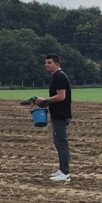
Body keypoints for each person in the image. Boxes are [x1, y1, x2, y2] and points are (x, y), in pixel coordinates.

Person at [34, 54, 73, 182]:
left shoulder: (59, 77)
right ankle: (62, 170)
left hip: (61, 115)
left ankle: (65, 173)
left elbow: (61, 96)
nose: (46, 65)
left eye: (49, 62)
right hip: (58, 115)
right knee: (59, 143)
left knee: (62, 144)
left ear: (57, 64)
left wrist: (44, 101)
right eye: (46, 62)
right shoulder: (57, 77)